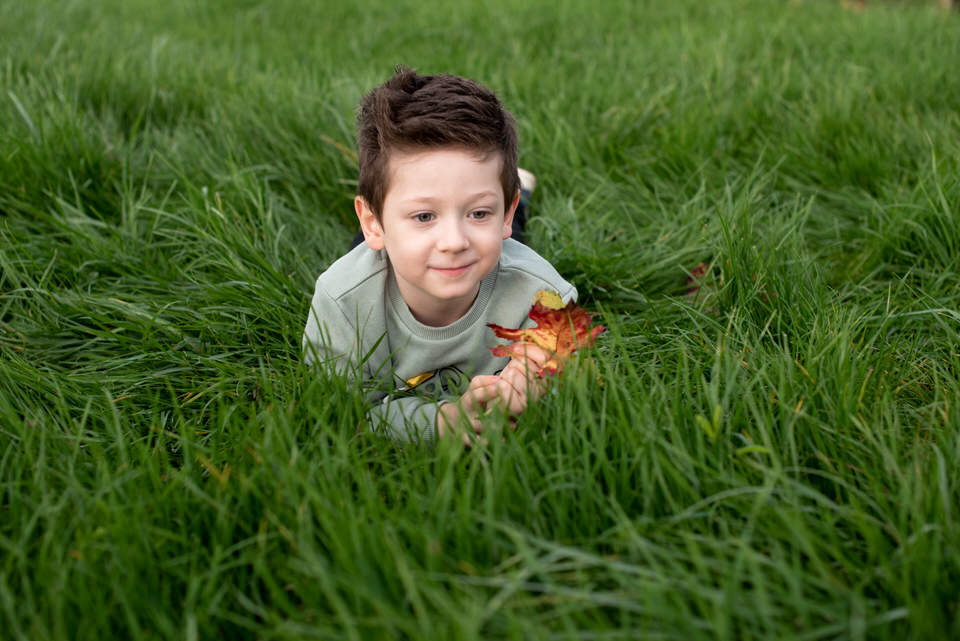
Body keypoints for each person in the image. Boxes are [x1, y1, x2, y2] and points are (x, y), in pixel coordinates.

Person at [302, 67, 577, 445]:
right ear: (373, 223)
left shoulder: (540, 292)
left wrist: (536, 380)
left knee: (507, 247)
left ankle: (515, 197)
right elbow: (344, 410)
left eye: (478, 212)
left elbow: (566, 346)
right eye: (425, 215)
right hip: (381, 261)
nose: (453, 241)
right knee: (375, 252)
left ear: (504, 213)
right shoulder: (343, 301)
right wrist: (441, 422)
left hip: (499, 252)